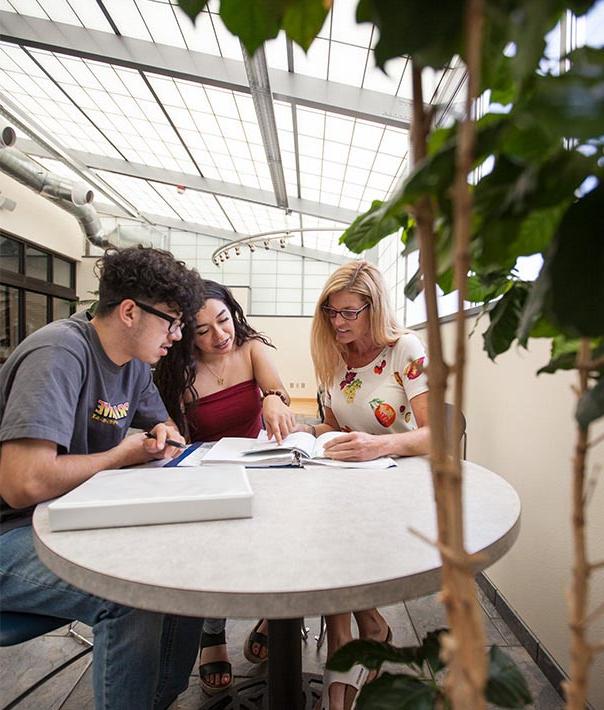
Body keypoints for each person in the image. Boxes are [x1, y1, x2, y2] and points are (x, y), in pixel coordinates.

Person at [0, 246, 206, 710]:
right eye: (171, 321)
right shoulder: (59, 352)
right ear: (130, 311)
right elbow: (23, 484)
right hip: (11, 531)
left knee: (185, 568)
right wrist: (120, 455)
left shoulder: (134, 366)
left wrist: (160, 435)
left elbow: (166, 427)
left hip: (65, 519)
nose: (177, 335)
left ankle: (159, 698)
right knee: (130, 592)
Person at [155, 279, 296, 695]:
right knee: (212, 547)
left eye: (224, 320)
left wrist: (272, 397)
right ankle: (212, 632)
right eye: (203, 330)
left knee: (283, 528)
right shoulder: (178, 370)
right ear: (185, 334)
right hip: (208, 473)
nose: (220, 335)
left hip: (258, 464)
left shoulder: (251, 348)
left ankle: (278, 616)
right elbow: (174, 433)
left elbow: (277, 391)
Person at [308, 260, 430, 710]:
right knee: (323, 525)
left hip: (399, 481)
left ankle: (348, 642)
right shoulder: (332, 354)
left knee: (332, 536)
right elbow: (334, 424)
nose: (337, 322)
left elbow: (437, 434)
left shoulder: (405, 349)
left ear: (373, 309)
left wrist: (378, 447)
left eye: (348, 313)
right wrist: (309, 434)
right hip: (351, 480)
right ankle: (362, 631)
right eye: (330, 312)